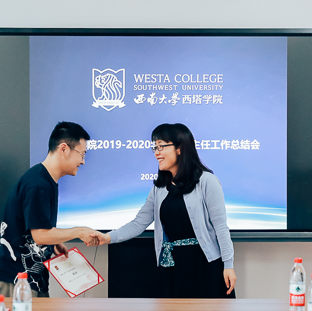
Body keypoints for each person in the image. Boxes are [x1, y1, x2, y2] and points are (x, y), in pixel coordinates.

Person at [95, 123, 236, 298]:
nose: (156, 152)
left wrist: (228, 264)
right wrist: (107, 237)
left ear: (180, 148)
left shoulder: (207, 181)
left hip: (205, 265)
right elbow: (139, 223)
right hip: (173, 266)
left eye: (161, 146)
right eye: (155, 147)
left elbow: (221, 227)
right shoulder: (160, 188)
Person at [0, 121, 100, 297]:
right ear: (64, 149)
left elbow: (37, 227)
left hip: (32, 278)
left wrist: (54, 242)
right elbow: (40, 235)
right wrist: (79, 231)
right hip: (15, 278)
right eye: (82, 154)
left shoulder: (46, 180)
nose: (83, 161)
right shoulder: (38, 183)